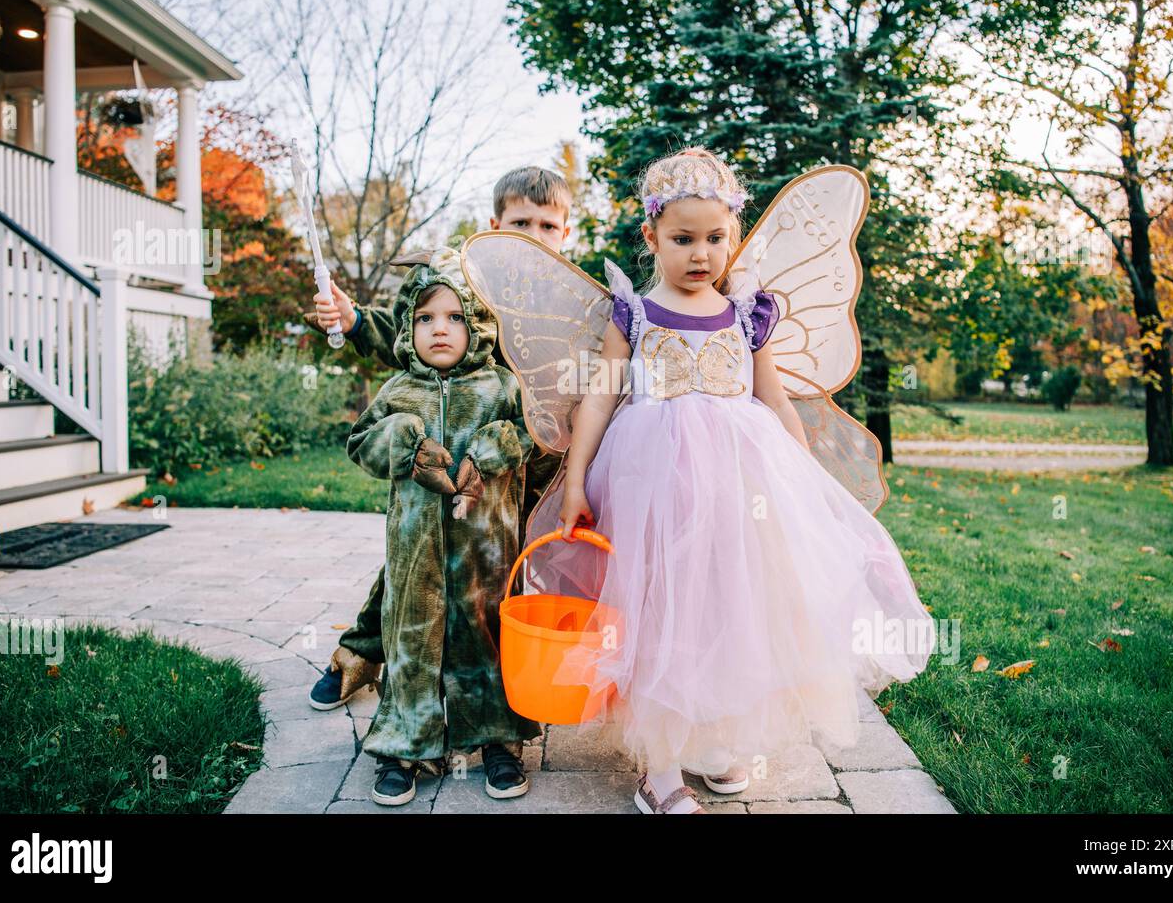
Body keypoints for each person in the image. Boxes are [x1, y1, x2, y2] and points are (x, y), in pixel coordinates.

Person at [524, 147, 935, 813]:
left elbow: (773, 400)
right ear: (651, 236)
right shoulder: (634, 314)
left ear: (734, 237)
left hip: (744, 490)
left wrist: (806, 479)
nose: (700, 253)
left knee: (737, 604)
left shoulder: (748, 314)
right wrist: (575, 483)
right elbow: (599, 399)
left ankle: (720, 743)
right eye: (683, 238)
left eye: (716, 238)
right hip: (653, 489)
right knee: (659, 609)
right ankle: (658, 765)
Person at [306, 168, 573, 718]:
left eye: (548, 225)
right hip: (452, 451)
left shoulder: (569, 301)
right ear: (494, 226)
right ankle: (363, 653)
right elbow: (414, 330)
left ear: (565, 233)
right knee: (423, 557)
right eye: (521, 222)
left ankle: (500, 697)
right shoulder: (468, 279)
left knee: (495, 578)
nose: (534, 234)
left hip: (531, 464)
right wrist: (356, 320)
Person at [346, 249, 541, 805]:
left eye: (456, 317)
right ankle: (407, 745)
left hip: (488, 552)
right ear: (408, 325)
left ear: (478, 324)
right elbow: (360, 442)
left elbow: (537, 433)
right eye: (426, 317)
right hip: (415, 553)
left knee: (488, 635)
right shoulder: (398, 391)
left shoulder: (502, 387)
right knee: (412, 640)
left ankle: (499, 741)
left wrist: (501, 443)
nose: (440, 329)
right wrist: (404, 438)